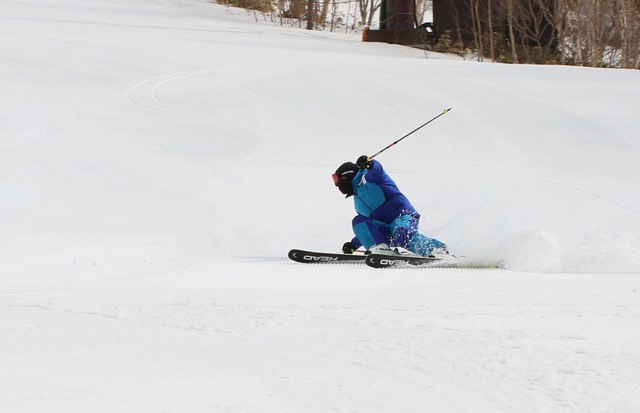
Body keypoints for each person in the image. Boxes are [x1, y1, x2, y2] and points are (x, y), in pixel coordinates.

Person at [332, 155, 448, 256]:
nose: (337, 186)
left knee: (401, 232)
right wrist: (354, 244)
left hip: (403, 217)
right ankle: (380, 247)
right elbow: (370, 227)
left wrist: (370, 164)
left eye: (337, 181)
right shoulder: (358, 202)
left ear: (346, 176)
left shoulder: (368, 178)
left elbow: (377, 171)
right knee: (359, 221)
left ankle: (435, 249)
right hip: (386, 229)